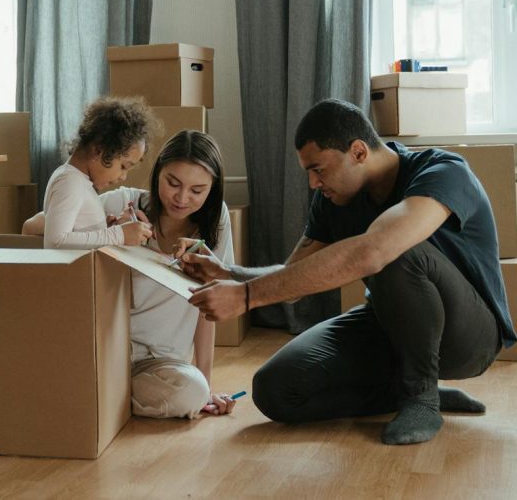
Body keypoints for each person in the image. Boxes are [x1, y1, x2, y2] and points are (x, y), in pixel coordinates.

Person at [181, 99, 515, 445]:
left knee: (394, 250)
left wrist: (246, 297)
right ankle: (405, 390)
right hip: (391, 326)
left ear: (358, 152)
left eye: (319, 170)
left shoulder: (443, 171)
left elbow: (376, 251)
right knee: (275, 390)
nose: (313, 183)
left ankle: (421, 397)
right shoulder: (334, 199)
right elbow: (294, 277)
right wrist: (230, 274)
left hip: (469, 338)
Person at [28, 129, 241, 419]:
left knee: (191, 392)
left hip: (161, 363)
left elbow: (209, 305)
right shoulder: (123, 202)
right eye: (173, 183)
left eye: (197, 191)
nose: (181, 198)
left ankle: (98, 395)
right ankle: (100, 393)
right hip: (106, 349)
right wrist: (109, 230)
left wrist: (206, 385)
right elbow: (33, 227)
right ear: (157, 174)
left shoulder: (216, 223)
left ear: (212, 190)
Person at [41, 96, 156, 249]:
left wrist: (104, 230)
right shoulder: (70, 182)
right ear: (98, 150)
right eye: (123, 166)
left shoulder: (79, 181)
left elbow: (77, 235)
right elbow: (55, 242)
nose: (123, 177)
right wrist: (118, 234)